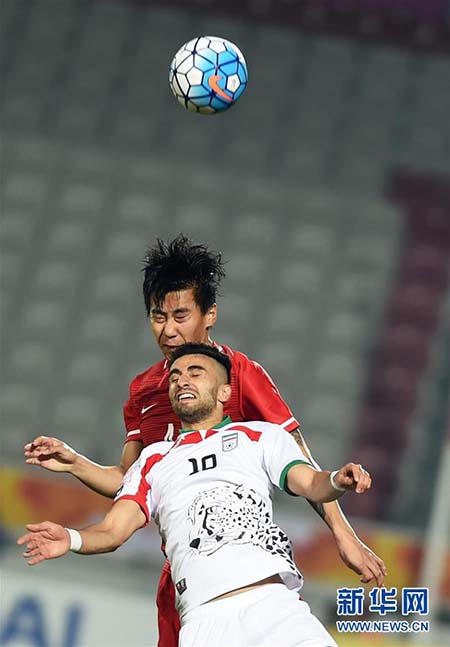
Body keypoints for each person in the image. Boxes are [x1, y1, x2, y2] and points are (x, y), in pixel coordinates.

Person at [24, 235, 386, 647]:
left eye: (181, 315)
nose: (168, 330)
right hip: (185, 572)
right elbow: (132, 482)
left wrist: (343, 534)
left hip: (252, 571)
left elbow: (299, 461)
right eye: (158, 317)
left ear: (209, 314)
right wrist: (75, 463)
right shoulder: (144, 390)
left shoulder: (240, 374)